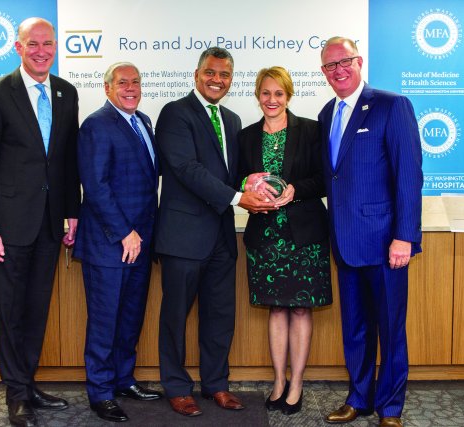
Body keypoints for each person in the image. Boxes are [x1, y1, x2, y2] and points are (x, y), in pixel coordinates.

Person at [154, 47, 276, 417]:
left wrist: (249, 180)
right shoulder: (175, 113)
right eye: (210, 72)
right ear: (196, 74)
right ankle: (176, 387)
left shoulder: (233, 119)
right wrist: (240, 197)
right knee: (175, 316)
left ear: (231, 80)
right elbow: (187, 169)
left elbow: (227, 174)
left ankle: (216, 384)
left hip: (222, 236)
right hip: (182, 236)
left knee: (220, 315)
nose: (217, 80)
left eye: (224, 75)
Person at [0, 17, 80, 427]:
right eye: (32, 44)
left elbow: (67, 160)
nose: (41, 51)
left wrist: (72, 212)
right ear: (18, 48)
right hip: (10, 227)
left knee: (36, 310)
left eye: (47, 44)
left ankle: (29, 383)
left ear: (55, 47)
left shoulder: (66, 93)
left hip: (51, 225)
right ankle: (15, 393)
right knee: (10, 311)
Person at [318, 37, 423, 427]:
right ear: (324, 73)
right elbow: (333, 176)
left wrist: (405, 236)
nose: (338, 70)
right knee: (356, 329)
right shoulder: (327, 112)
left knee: (391, 329)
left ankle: (391, 408)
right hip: (345, 243)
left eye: (344, 61)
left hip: (385, 244)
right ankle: (359, 397)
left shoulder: (391, 105)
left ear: (359, 62)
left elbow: (409, 176)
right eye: (330, 66)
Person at [238, 66, 332, 416]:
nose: (271, 100)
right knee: (276, 308)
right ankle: (279, 380)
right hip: (265, 236)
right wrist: (247, 183)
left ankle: (297, 384)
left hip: (304, 236)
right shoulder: (246, 136)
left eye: (278, 93)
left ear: (288, 96)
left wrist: (295, 191)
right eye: (265, 93)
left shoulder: (310, 130)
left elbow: (325, 179)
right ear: (257, 95)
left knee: (301, 307)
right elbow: (236, 180)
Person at [74, 62, 163, 423]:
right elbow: (96, 186)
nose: (131, 88)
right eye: (122, 83)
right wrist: (125, 232)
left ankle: (124, 379)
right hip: (110, 244)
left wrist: (138, 236)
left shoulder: (143, 121)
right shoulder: (97, 125)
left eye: (136, 82)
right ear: (107, 87)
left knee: (130, 319)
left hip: (139, 243)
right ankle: (100, 392)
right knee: (105, 321)